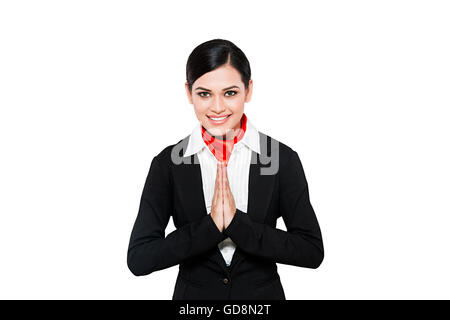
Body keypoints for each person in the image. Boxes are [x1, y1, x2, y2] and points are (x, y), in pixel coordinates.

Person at [127, 39, 324, 300]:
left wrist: (238, 225)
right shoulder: (168, 163)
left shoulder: (280, 158)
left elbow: (311, 250)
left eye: (230, 93)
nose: (217, 107)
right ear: (189, 93)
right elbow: (140, 258)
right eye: (204, 93)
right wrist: (209, 227)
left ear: (248, 90)